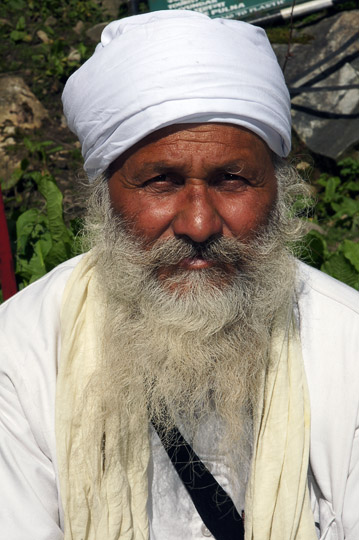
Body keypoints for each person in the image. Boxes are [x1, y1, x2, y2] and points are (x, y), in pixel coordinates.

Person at [0, 10, 358, 540]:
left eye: (233, 180)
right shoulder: (22, 352)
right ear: (104, 196)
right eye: (160, 181)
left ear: (280, 193)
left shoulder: (347, 345)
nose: (198, 223)